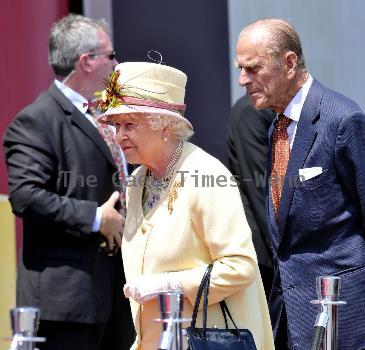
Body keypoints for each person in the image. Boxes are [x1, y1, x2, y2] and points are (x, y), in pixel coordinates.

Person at [96, 61, 275, 350]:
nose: (119, 136)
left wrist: (169, 284)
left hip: (208, 340)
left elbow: (241, 266)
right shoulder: (137, 180)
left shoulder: (206, 175)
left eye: (129, 124)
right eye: (116, 125)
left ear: (165, 127)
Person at [3, 14, 134, 350]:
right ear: (86, 62)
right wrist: (96, 217)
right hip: (68, 303)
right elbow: (27, 197)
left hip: (115, 293)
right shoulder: (37, 120)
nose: (116, 64)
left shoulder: (106, 113)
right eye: (110, 55)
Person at [236, 18, 365, 349]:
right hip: (292, 314)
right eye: (241, 69)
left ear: (289, 63)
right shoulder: (276, 128)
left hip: (341, 314)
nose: (242, 80)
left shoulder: (342, 119)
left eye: (252, 69)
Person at [226, 94, 276, 298]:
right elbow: (260, 187)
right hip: (264, 253)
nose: (243, 79)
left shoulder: (270, 110)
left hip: (272, 249)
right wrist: (281, 254)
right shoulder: (251, 111)